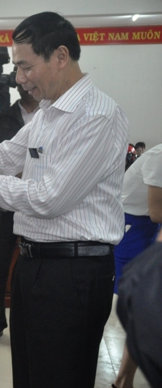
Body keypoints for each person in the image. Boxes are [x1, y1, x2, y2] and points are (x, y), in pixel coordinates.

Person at [0, 11, 128, 387]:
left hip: (72, 273)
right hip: (34, 265)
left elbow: (48, 199)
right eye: (16, 68)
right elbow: (5, 157)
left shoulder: (96, 116)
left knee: (58, 377)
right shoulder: (47, 113)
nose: (20, 79)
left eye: (26, 66)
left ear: (60, 56)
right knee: (29, 374)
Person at [0, 85, 39, 349]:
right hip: (1, 204)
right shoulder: (0, 114)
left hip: (37, 204)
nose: (26, 81)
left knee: (37, 268)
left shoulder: (51, 115)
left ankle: (32, 324)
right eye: (20, 74)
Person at [112, 143, 162, 388]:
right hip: (133, 224)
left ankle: (124, 377)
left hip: (147, 225)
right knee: (139, 301)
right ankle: (124, 378)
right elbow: (157, 212)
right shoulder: (159, 156)